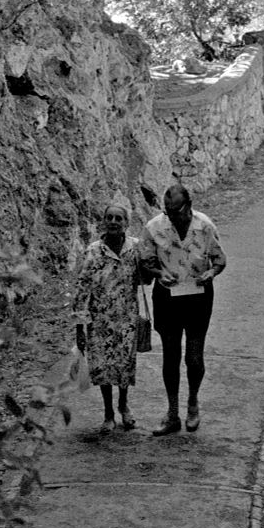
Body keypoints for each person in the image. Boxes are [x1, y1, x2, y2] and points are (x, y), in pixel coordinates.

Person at [137, 181, 226, 435]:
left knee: (194, 357)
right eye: (167, 211)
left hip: (198, 297)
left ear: (189, 206)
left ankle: (193, 403)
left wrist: (211, 273)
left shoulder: (204, 226)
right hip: (168, 298)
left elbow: (220, 260)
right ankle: (172, 412)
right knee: (171, 356)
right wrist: (158, 273)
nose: (172, 217)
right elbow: (145, 262)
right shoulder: (154, 227)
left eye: (176, 211)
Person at [73, 196, 143, 435]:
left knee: (124, 365)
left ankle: (124, 405)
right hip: (100, 320)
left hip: (127, 318)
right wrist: (80, 328)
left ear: (126, 223)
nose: (113, 222)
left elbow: (146, 276)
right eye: (109, 217)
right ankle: (108, 413)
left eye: (118, 218)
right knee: (102, 367)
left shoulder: (135, 248)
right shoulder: (93, 251)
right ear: (103, 221)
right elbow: (82, 289)